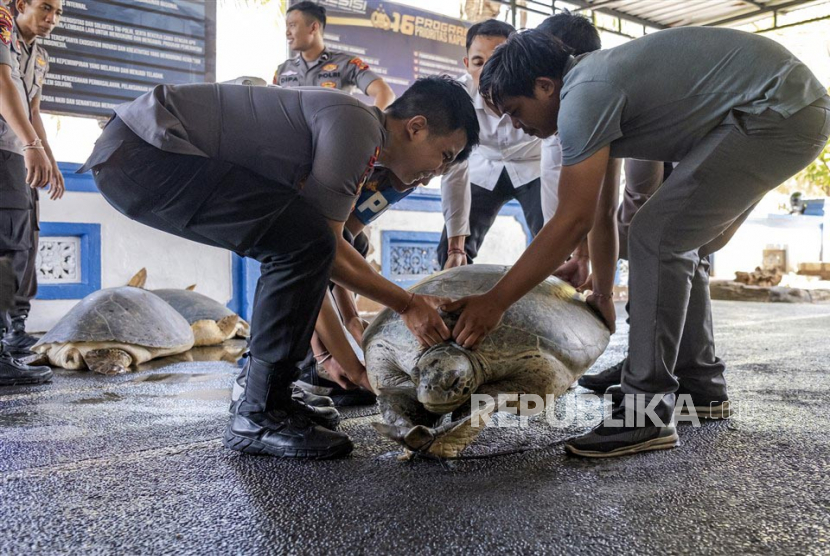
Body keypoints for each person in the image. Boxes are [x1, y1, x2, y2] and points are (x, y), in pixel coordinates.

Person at [444, 28, 830, 458]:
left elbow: (570, 220)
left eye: (516, 111)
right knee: (681, 239)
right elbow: (598, 213)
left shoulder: (583, 97)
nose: (518, 126)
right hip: (783, 107)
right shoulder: (592, 92)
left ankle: (645, 412)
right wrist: (601, 289)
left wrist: (495, 301)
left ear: (545, 86)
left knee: (657, 235)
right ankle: (700, 384)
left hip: (775, 111)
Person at [79, 76, 479, 459]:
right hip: (144, 151)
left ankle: (265, 397)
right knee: (303, 241)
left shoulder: (364, 144)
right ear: (416, 127)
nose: (434, 177)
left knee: (296, 239)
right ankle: (259, 413)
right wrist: (405, 308)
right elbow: (323, 252)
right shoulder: (357, 124)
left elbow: (321, 257)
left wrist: (344, 359)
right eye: (443, 157)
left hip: (135, 154)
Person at [438, 19, 545, 269]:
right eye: (478, 62)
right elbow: (455, 167)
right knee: (451, 251)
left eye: (500, 60)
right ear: (466, 64)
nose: (488, 72)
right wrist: (456, 245)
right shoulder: (458, 97)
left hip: (536, 167)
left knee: (555, 240)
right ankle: (452, 304)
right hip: (483, 167)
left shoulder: (542, 91)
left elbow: (559, 152)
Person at [0, 0, 62, 386]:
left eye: (57, 12)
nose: (52, 19)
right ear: (21, 4)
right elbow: (2, 82)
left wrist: (47, 156)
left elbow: (34, 107)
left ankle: (14, 333)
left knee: (24, 243)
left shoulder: (39, 56)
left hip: (18, 152)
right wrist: (29, 146)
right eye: (45, 8)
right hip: (6, 149)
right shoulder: (1, 22)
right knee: (7, 246)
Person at [274, 1, 396, 109]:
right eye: (287, 26)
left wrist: (373, 122)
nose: (287, 32)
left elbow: (385, 93)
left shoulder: (347, 64)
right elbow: (270, 107)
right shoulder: (282, 70)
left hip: (332, 134)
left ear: (313, 28)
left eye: (292, 25)